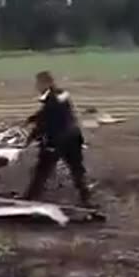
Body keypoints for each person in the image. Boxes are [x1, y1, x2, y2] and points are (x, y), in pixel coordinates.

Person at [23, 71, 94, 207]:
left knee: (42, 170)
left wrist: (30, 139)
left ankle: (30, 199)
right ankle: (86, 199)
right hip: (73, 137)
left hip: (57, 139)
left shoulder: (51, 100)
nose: (37, 86)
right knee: (76, 169)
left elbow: (46, 122)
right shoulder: (61, 94)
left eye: (38, 83)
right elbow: (52, 112)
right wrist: (32, 118)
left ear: (46, 83)